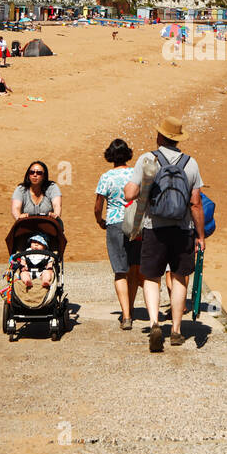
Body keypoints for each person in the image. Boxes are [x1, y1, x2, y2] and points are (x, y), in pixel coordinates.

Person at [123, 116, 205, 351]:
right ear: (178, 139)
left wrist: (132, 188)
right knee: (179, 277)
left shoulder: (147, 159)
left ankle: (155, 323)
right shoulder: (191, 164)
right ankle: (177, 330)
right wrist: (200, 236)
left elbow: (130, 194)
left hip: (154, 228)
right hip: (183, 230)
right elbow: (195, 203)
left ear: (160, 137)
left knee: (151, 277)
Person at [95, 138, 142, 330]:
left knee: (120, 271)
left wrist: (100, 221)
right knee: (133, 269)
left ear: (110, 156)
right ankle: (130, 307)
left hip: (114, 223)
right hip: (136, 225)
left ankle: (126, 315)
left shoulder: (106, 177)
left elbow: (98, 205)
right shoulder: (135, 174)